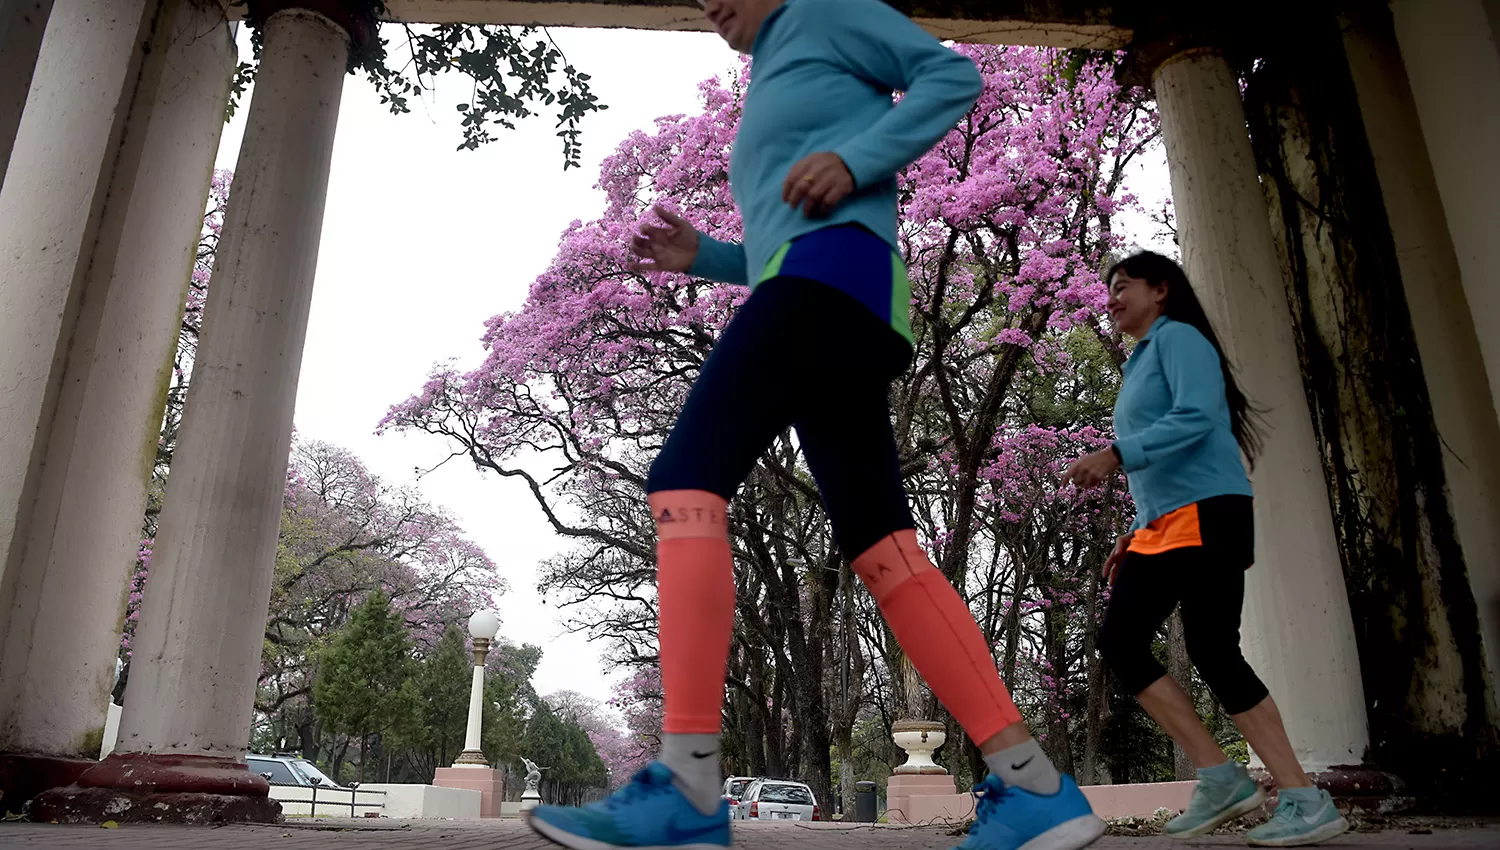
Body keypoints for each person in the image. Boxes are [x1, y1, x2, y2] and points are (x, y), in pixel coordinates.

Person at [526, 1, 1105, 849]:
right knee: (885, 549)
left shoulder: (828, 11)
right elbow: (782, 238)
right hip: (828, 289)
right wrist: (709, 257)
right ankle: (1036, 788)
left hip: (830, 283)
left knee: (685, 480)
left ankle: (688, 785)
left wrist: (859, 156)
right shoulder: (778, 64)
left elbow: (953, 75)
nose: (708, 3)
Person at [1062, 251, 1349, 847]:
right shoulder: (1143, 357)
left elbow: (1197, 417)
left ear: (1160, 290)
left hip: (1207, 514)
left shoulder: (1180, 339)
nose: (1111, 298)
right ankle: (1226, 779)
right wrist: (1137, 530)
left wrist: (1115, 455)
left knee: (1208, 649)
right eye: (1107, 289)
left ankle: (1293, 794)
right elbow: (1168, 458)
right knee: (1139, 643)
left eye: (1123, 286)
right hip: (1169, 522)